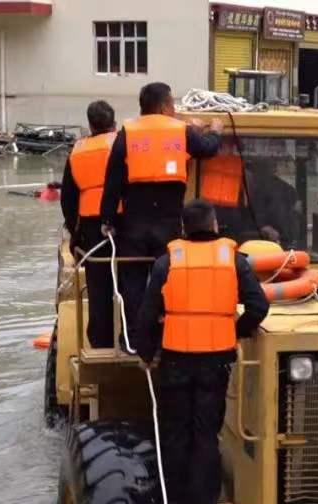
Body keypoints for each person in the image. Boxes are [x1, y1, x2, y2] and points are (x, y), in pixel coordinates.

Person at [135, 200, 269, 504]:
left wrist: (145, 352)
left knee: (176, 433)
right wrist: (234, 330)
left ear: (182, 228)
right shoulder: (233, 261)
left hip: (176, 360)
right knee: (206, 435)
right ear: (213, 225)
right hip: (215, 360)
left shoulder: (167, 262)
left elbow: (147, 312)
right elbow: (258, 305)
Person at [99, 82, 224, 351]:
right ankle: (163, 335)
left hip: (133, 224)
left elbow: (112, 182)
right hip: (168, 224)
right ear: (165, 106)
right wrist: (214, 130)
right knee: (167, 280)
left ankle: (132, 340)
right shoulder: (181, 131)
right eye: (172, 104)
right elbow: (208, 149)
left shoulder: (127, 133)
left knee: (132, 282)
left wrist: (107, 220)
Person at [60, 100, 119, 348]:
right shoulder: (123, 144)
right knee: (131, 283)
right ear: (114, 122)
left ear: (90, 125)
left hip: (93, 232)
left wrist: (75, 234)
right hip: (124, 225)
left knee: (99, 288)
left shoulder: (77, 151)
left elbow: (68, 199)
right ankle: (131, 339)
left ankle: (101, 342)